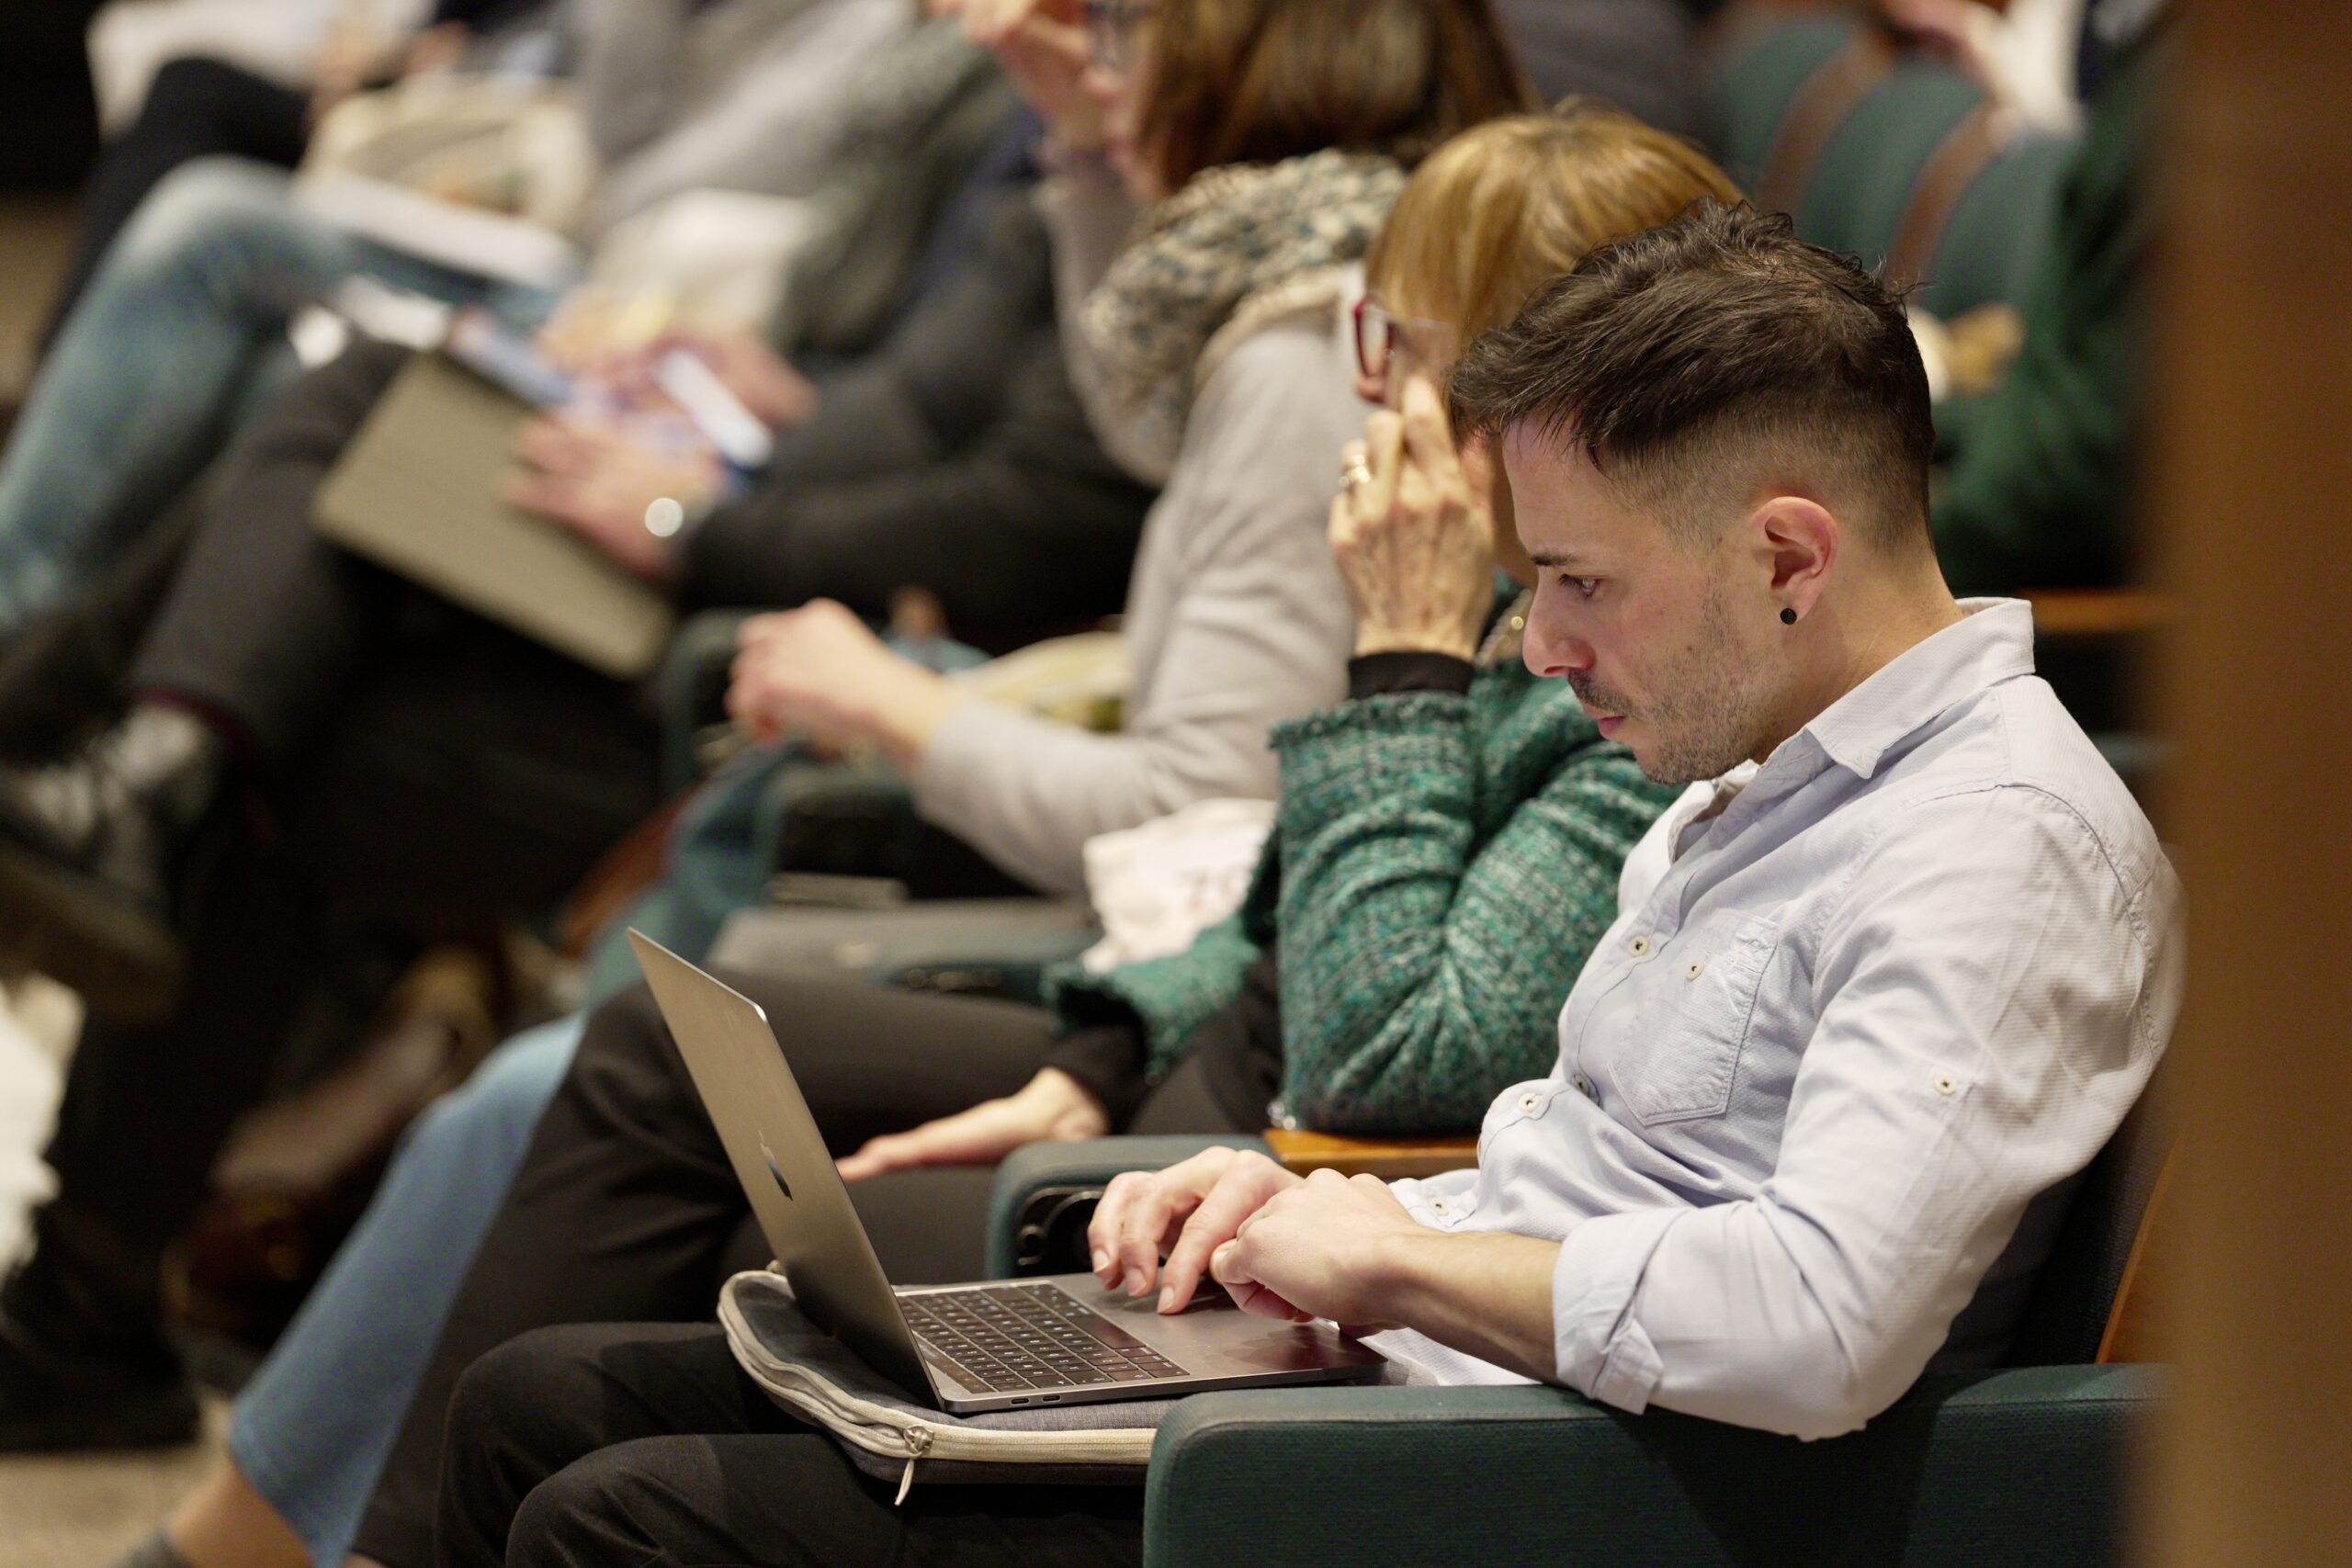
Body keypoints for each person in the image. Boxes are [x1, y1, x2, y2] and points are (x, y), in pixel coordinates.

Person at [435, 197, 2184, 1566]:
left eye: (1579, 580)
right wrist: (1325, 1211)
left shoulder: (1990, 846)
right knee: (538, 1397)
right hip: (1410, 1399)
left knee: (618, 1517)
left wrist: (1394, 1262)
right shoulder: (1761, 772)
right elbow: (1590, 1186)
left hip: (1477, 1497)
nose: (1542, 644)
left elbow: (1821, 1322)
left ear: (1788, 552)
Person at [0, 0, 1523, 1483]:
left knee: (370, 785)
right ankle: (135, 801)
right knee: (342, 475)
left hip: (979, 805)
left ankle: (119, 859)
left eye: (1124, 34)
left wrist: (816, 630)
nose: (1075, 54)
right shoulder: (1222, 289)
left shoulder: (1301, 357)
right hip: (1013, 817)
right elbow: (1078, 431)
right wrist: (778, 417)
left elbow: (1212, 822)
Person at [0, 0, 915, 633]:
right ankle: (53, 653)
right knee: (218, 226)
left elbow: (663, 176)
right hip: (574, 258)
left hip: (660, 308)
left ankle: (41, 635)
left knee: (238, 263)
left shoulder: (869, 24)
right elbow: (610, 118)